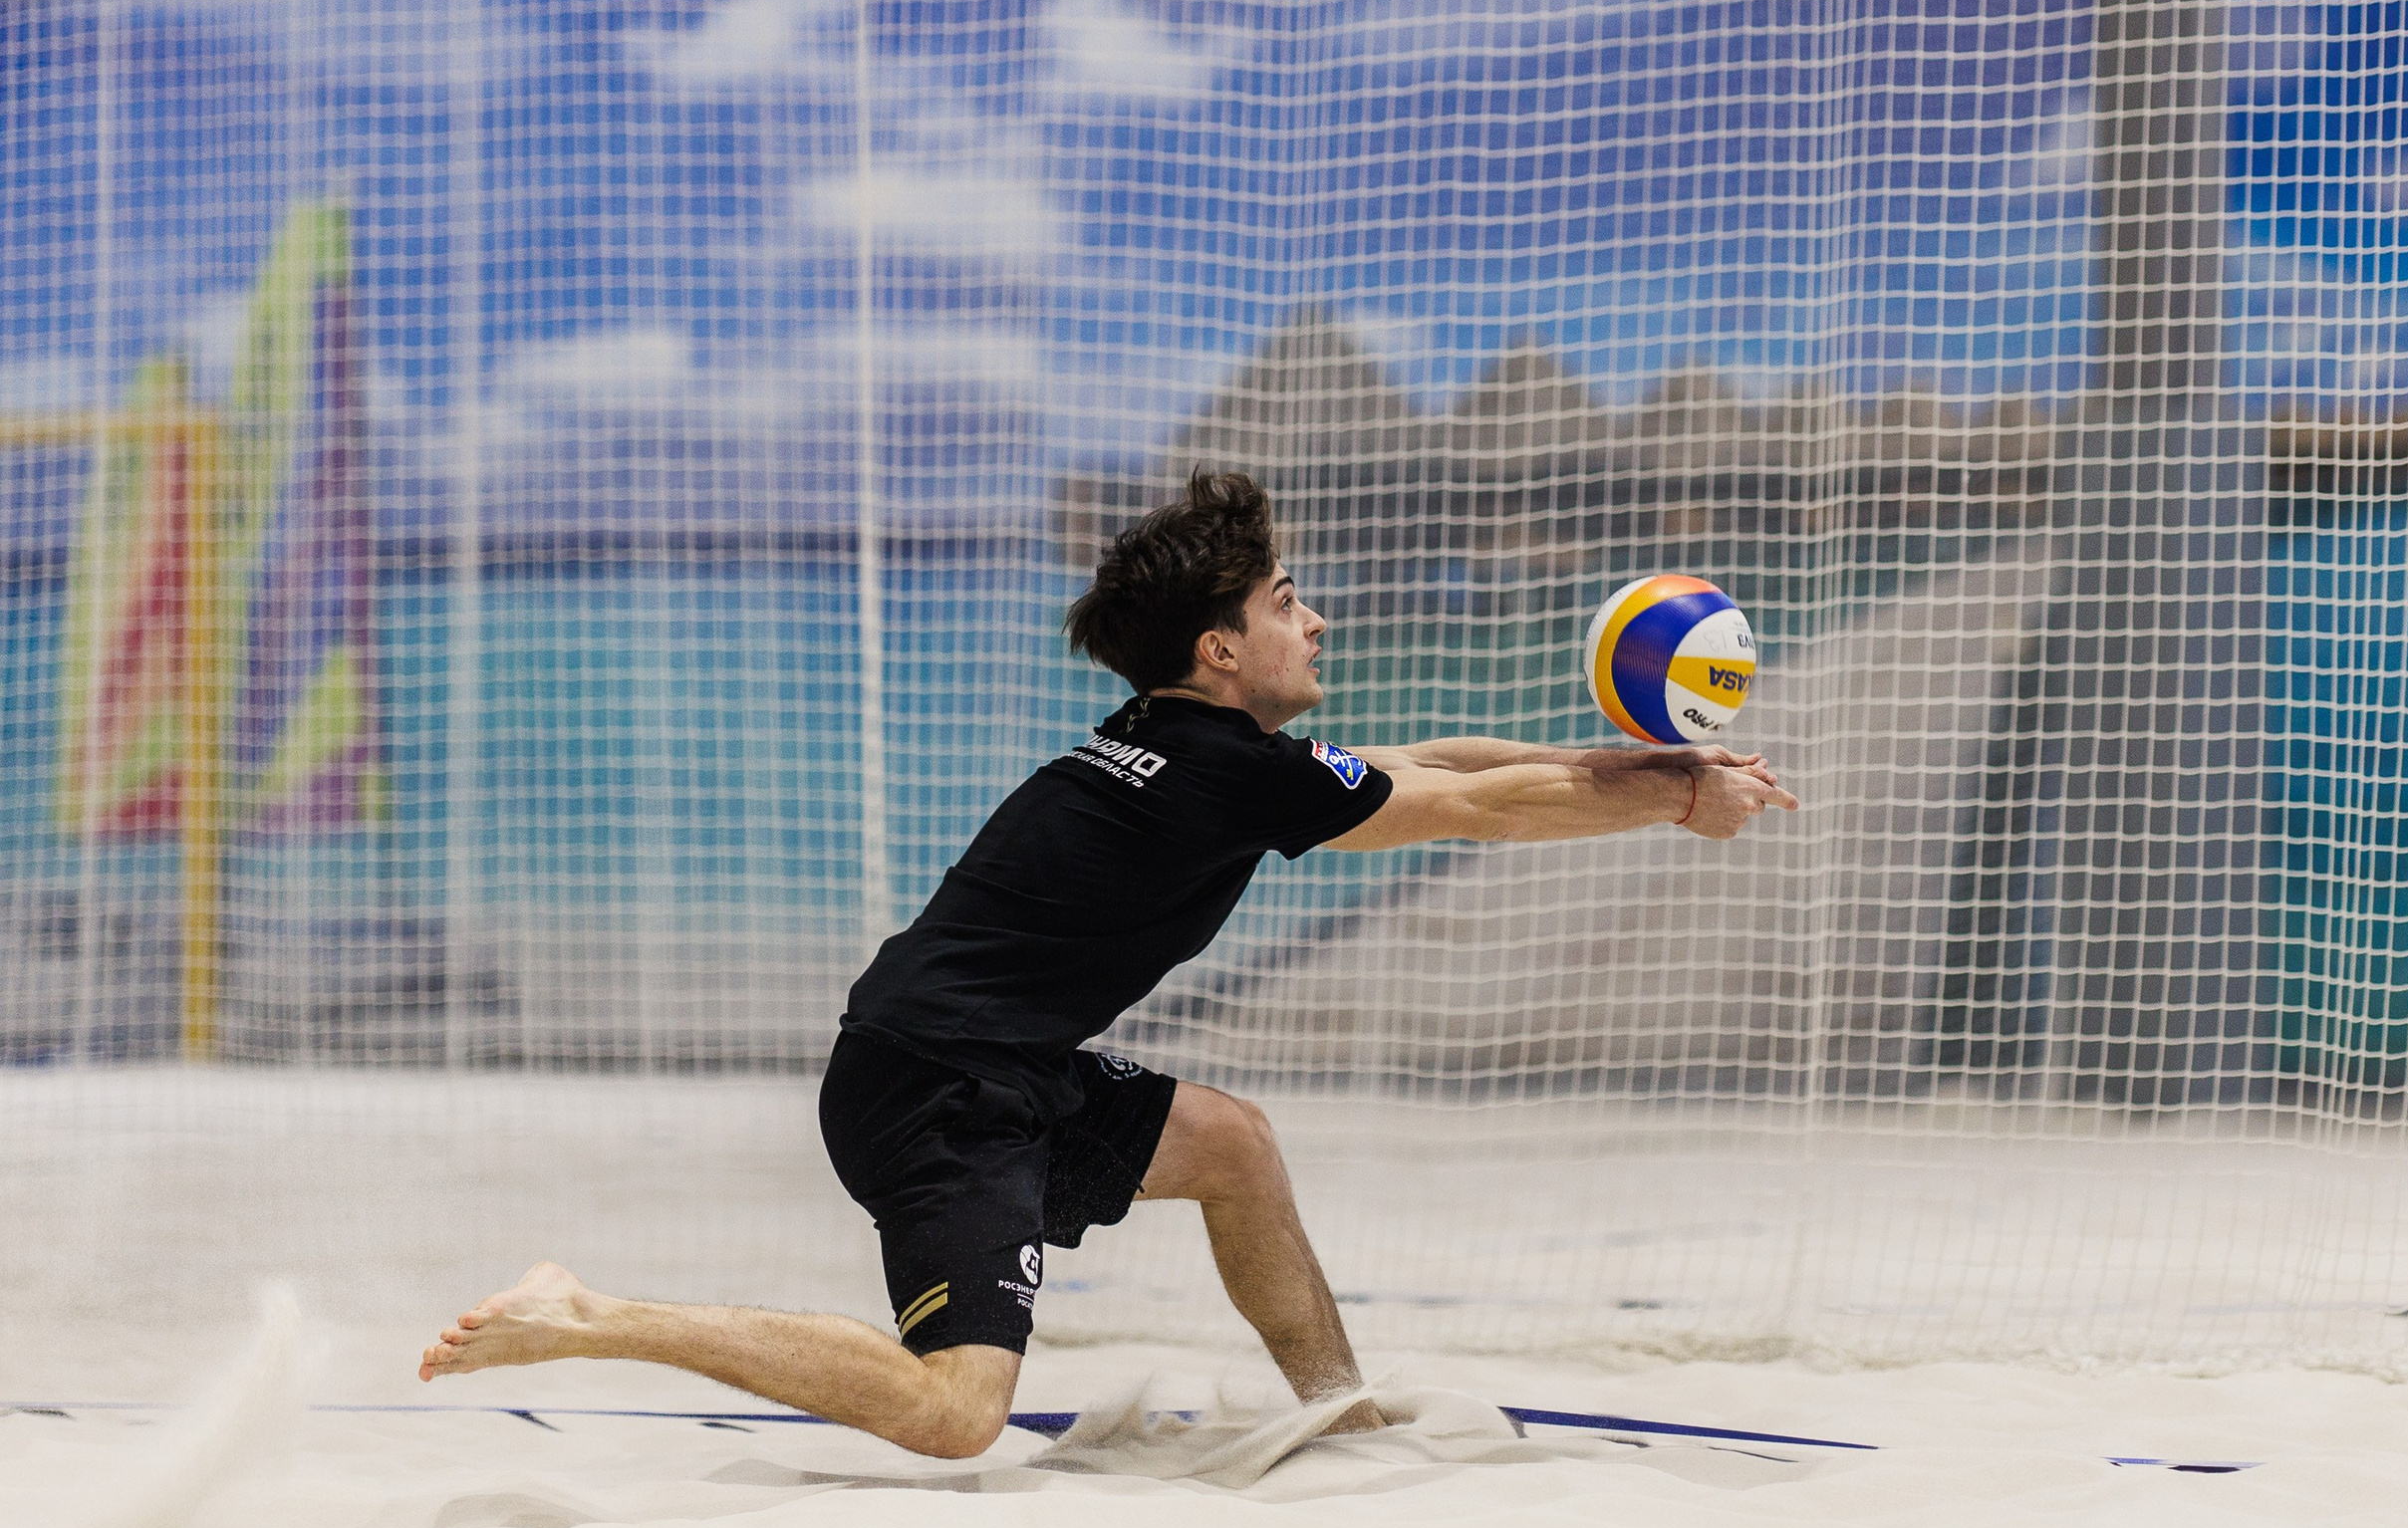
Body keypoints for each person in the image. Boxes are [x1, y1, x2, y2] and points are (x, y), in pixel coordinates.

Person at [417, 470, 1798, 1455]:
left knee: (1234, 1146)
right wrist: (1680, 799)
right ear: (1222, 647)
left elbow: (1434, 764)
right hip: (935, 1087)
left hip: (991, 1061)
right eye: (1286, 599)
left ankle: (1339, 1416)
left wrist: (1649, 765)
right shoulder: (1216, 773)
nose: (1312, 620)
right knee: (960, 1415)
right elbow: (1476, 806)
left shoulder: (1185, 745)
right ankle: (587, 1314)